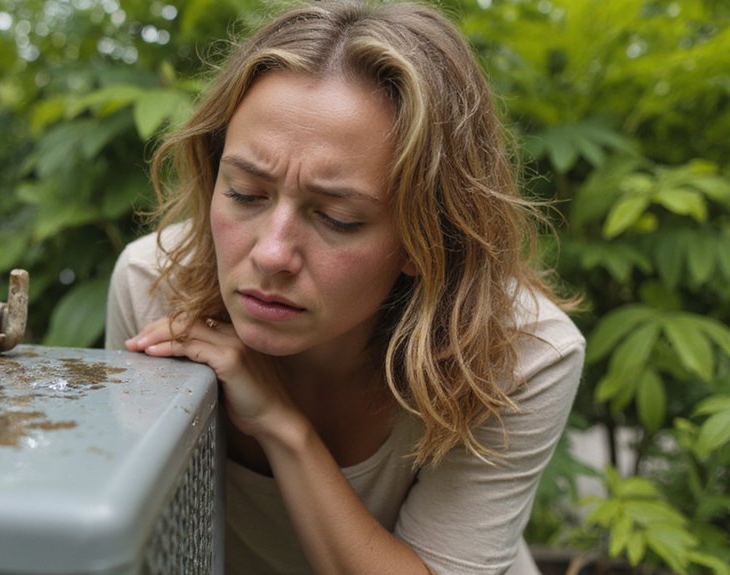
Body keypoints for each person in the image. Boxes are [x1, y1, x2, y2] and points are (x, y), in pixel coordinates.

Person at [106, 1, 585, 573]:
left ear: (426, 237)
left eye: (337, 218)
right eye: (245, 193)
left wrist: (282, 428)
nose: (272, 253)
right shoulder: (153, 285)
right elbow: (133, 536)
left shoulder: (522, 354)